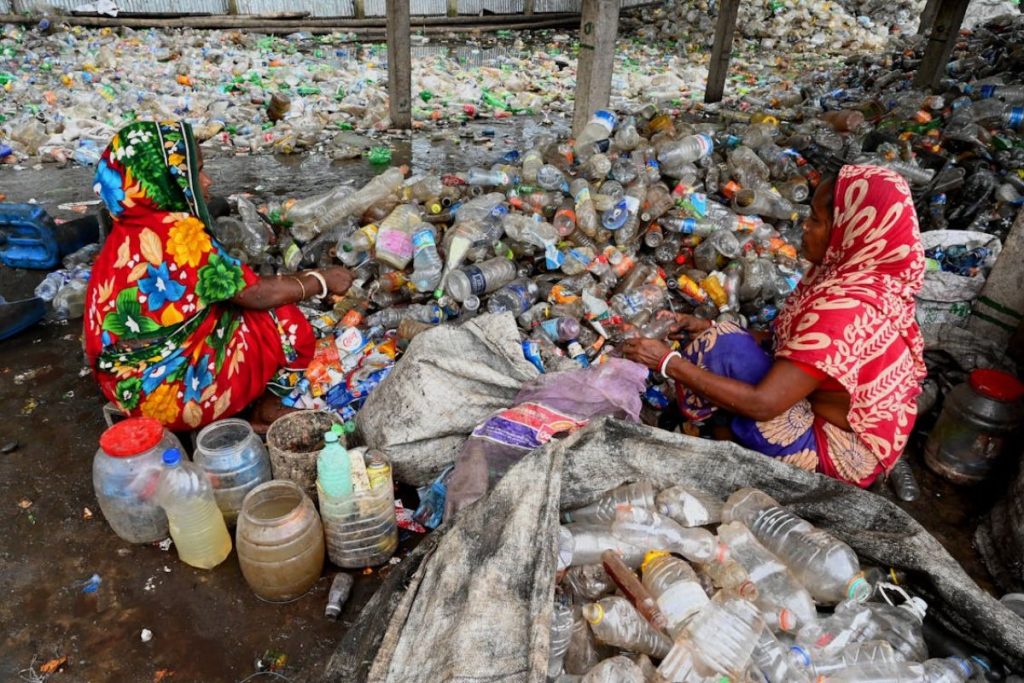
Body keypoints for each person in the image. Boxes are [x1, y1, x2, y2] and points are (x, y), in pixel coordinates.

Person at [622, 165, 926, 487]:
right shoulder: (860, 276)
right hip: (836, 412)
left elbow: (763, 403)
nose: (805, 228)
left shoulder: (847, 309)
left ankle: (724, 437)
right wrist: (706, 325)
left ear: (852, 232)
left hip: (840, 453)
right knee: (723, 337)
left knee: (728, 376)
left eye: (817, 221)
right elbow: (792, 343)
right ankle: (720, 424)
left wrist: (669, 363)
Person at [84, 120, 353, 432]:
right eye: (196, 170)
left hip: (123, 390)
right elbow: (257, 294)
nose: (207, 181)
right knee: (283, 320)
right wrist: (321, 280)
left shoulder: (126, 231)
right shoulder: (176, 231)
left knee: (228, 307)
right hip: (172, 402)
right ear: (165, 178)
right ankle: (264, 407)